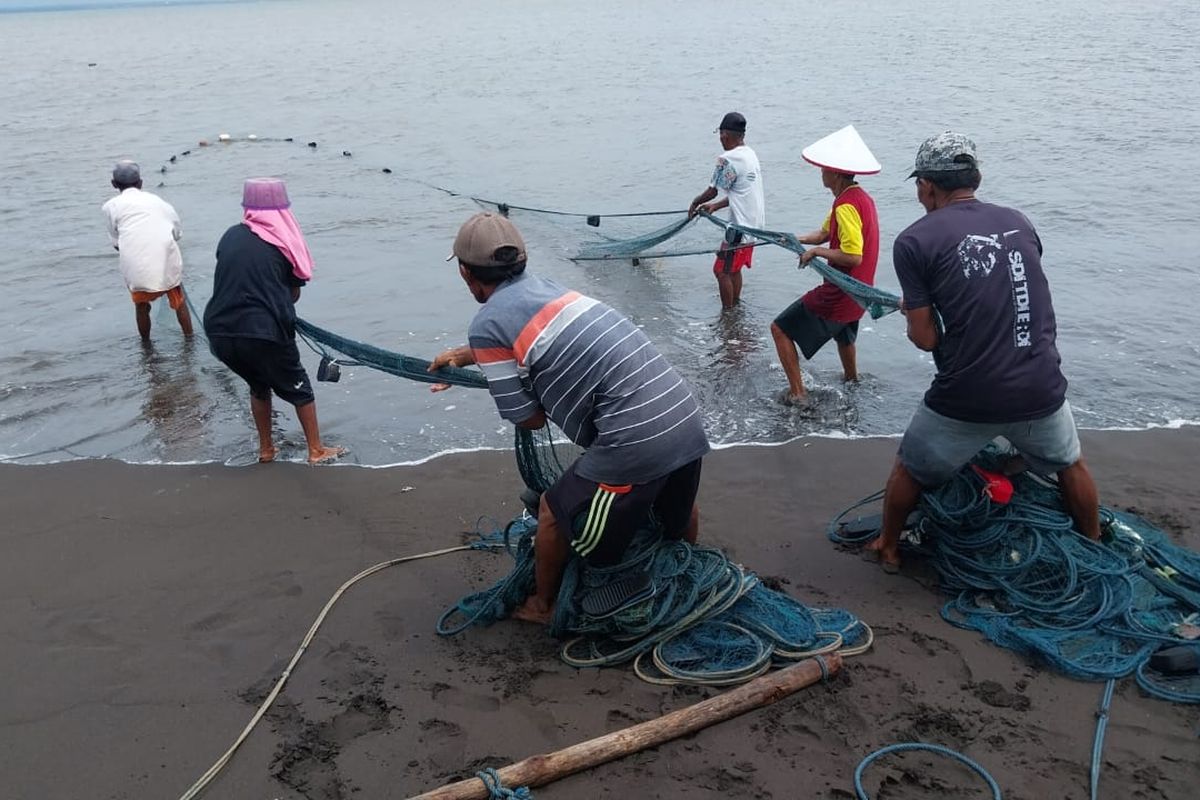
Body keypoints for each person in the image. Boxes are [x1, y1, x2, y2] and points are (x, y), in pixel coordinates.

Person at [430, 212, 711, 625]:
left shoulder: (487, 323)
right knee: (678, 510)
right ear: (521, 260)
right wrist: (466, 356)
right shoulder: (553, 290)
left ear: (465, 273)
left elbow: (529, 419)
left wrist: (502, 371)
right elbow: (534, 340)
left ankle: (542, 606)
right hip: (682, 415)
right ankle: (689, 564)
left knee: (551, 511)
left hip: (635, 438)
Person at [865, 132, 1100, 573]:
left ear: (928, 187)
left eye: (919, 186)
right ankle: (1093, 541)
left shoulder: (914, 241)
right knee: (1070, 463)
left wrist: (917, 311)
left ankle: (888, 546)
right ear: (974, 179)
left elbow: (926, 340)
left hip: (968, 395)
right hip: (1041, 384)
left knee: (909, 469)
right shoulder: (1019, 221)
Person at [203, 178, 343, 465]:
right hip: (263, 331)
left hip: (219, 331)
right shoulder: (284, 243)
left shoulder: (230, 235)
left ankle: (266, 449)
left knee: (258, 385)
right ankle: (316, 450)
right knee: (299, 388)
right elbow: (292, 294)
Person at [770, 125, 880, 406]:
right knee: (844, 336)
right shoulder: (858, 198)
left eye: (824, 169)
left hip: (840, 293)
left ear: (835, 173)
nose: (821, 172)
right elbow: (825, 234)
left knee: (779, 329)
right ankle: (851, 380)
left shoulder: (844, 206)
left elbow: (853, 255)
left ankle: (798, 393)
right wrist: (795, 239)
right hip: (859, 292)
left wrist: (816, 252)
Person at [101, 160, 193, 340]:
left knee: (141, 306)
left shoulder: (110, 207)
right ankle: (189, 341)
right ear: (141, 183)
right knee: (179, 302)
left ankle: (146, 346)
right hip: (167, 265)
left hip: (137, 271)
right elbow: (177, 233)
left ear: (114, 184)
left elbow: (116, 241)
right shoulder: (159, 202)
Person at [687, 112, 765, 309]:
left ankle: (728, 316)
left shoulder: (727, 159)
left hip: (739, 229)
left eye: (720, 134)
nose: (720, 139)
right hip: (754, 226)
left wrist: (695, 202)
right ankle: (735, 307)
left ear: (724, 135)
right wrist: (715, 207)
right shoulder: (750, 153)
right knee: (734, 269)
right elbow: (740, 193)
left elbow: (712, 191)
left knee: (721, 271)